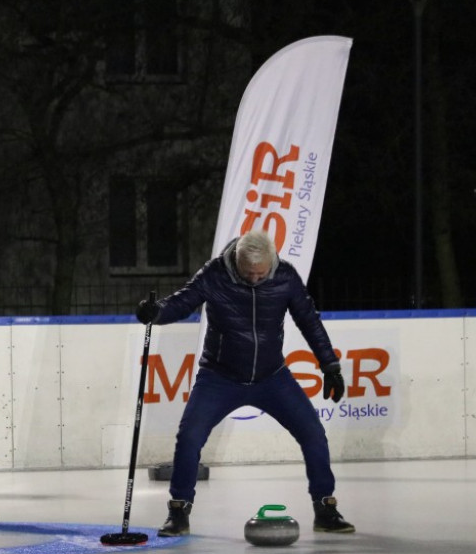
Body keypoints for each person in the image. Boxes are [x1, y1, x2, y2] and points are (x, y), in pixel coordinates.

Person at [135, 229, 355, 537]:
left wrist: (329, 366)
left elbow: (309, 320)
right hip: (219, 376)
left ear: (271, 263)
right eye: (248, 272)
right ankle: (179, 511)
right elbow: (183, 302)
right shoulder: (215, 274)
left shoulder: (285, 277)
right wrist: (156, 313)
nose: (254, 278)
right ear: (236, 261)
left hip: (272, 377)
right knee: (189, 437)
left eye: (260, 274)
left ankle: (325, 508)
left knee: (314, 434)